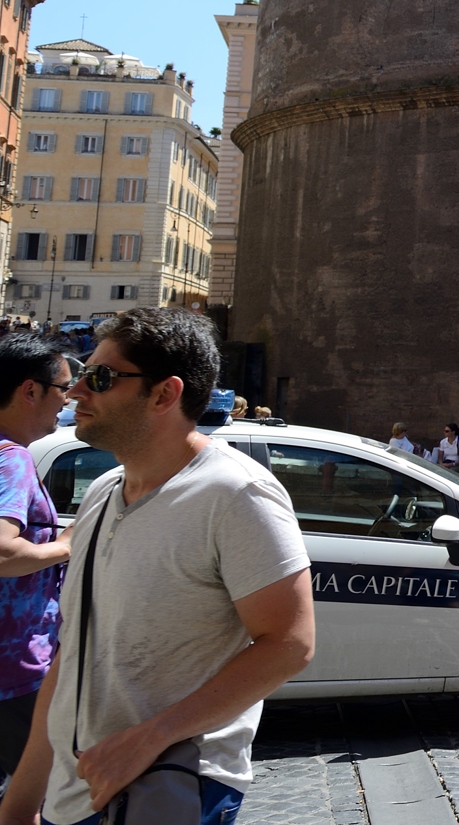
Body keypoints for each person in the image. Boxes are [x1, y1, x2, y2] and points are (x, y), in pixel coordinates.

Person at [0, 308, 312, 825]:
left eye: (101, 378)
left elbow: (290, 643)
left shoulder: (236, 492)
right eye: (82, 375)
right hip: (75, 796)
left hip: (168, 788)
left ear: (164, 394)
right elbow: (71, 655)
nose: (76, 391)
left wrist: (150, 739)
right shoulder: (103, 493)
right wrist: (21, 801)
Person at [0, 335, 69, 778]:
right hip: (14, 673)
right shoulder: (12, 460)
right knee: (39, 797)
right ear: (30, 390)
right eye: (62, 387)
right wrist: (66, 545)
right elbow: (3, 552)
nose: (70, 398)